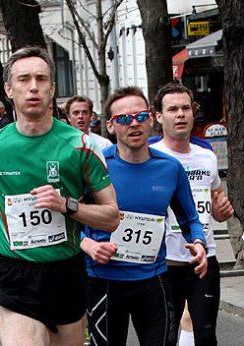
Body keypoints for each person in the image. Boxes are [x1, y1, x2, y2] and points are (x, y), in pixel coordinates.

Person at [0, 46, 119, 346]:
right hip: (17, 273)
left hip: (67, 272)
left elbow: (112, 217)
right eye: (24, 79)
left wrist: (67, 205)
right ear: (9, 89)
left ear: (53, 88)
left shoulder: (81, 146)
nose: (33, 87)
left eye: (41, 78)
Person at [80, 86, 208, 346]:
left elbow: (190, 219)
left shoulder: (169, 168)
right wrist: (88, 243)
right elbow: (69, 217)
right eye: (124, 119)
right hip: (103, 281)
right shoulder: (95, 166)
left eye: (140, 116)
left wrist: (199, 243)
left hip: (153, 280)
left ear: (151, 118)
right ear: (111, 126)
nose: (134, 124)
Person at [150, 82, 234, 346]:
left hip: (203, 260)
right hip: (163, 263)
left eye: (186, 108)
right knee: (164, 336)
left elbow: (215, 202)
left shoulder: (206, 155)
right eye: (172, 109)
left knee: (206, 335)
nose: (180, 114)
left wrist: (221, 212)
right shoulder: (150, 156)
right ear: (159, 116)